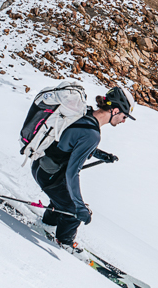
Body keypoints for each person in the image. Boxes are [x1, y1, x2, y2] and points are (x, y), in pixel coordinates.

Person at [30, 86, 135, 249]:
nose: (123, 120)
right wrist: (79, 208)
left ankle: (47, 225)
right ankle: (64, 245)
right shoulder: (92, 134)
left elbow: (71, 142)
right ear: (114, 110)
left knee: (62, 200)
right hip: (50, 176)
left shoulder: (84, 114)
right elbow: (72, 173)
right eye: (124, 115)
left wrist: (101, 155)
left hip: (41, 164)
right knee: (72, 211)